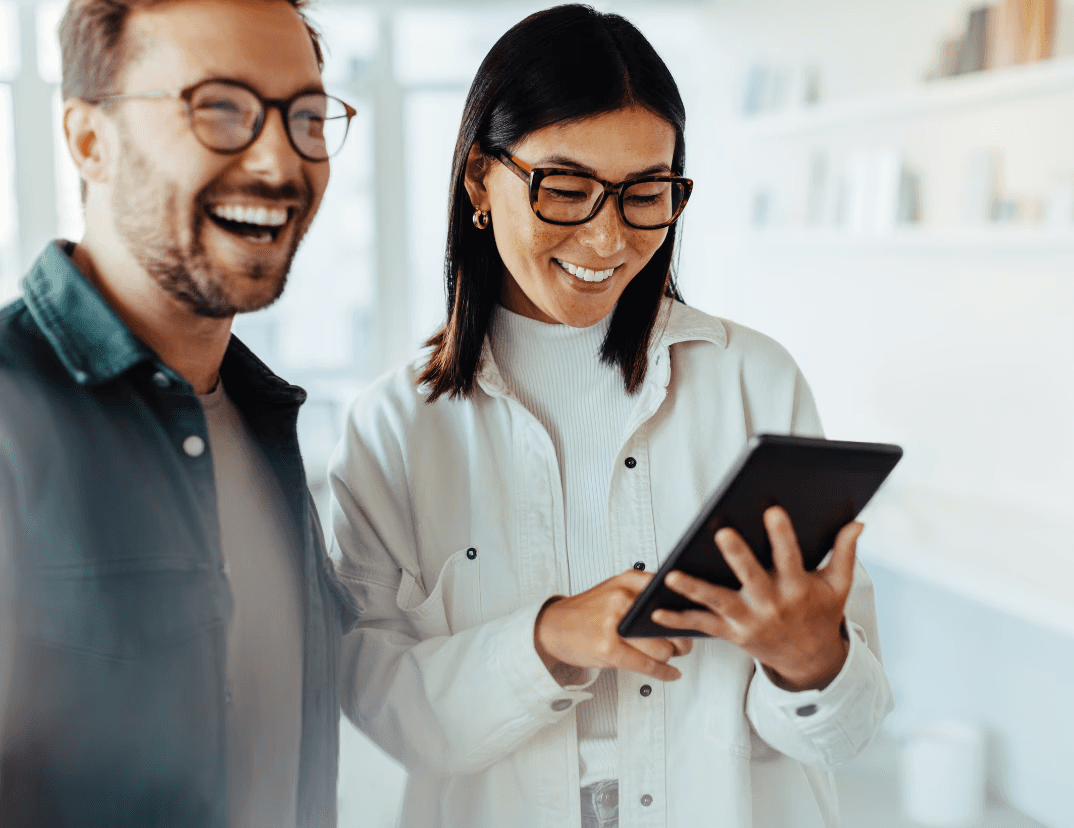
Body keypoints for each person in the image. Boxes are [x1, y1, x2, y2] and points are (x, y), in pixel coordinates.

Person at [328, 5, 893, 828]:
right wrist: (549, 639)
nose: (607, 237)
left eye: (646, 195)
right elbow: (383, 707)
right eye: (565, 190)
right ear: (481, 181)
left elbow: (845, 735)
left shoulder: (755, 382)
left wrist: (812, 663)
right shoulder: (394, 425)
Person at [0, 0, 357, 825]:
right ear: (92, 141)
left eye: (305, 116)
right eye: (220, 109)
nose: (278, 161)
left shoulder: (261, 417)